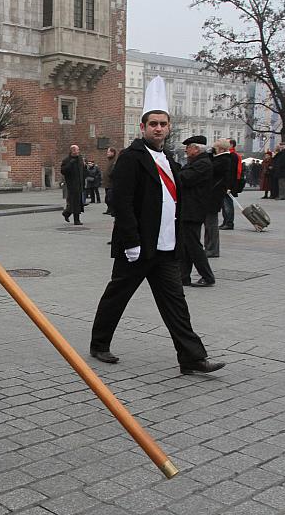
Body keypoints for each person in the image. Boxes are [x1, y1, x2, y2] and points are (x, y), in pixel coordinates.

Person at [88, 76, 225, 375]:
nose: (159, 128)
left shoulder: (168, 159)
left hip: (166, 248)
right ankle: (99, 344)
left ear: (169, 127)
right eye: (153, 124)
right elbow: (121, 203)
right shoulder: (132, 159)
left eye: (163, 123)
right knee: (117, 296)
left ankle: (191, 357)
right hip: (138, 247)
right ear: (143, 127)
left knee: (176, 304)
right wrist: (131, 242)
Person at [177, 136, 215, 287]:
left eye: (188, 147)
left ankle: (207, 276)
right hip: (189, 208)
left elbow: (184, 178)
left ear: (196, 149)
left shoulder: (203, 164)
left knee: (193, 245)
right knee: (186, 245)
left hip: (193, 209)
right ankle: (183, 276)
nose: (186, 150)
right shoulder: (197, 162)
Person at [205, 138, 230, 259]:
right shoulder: (221, 159)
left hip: (214, 195)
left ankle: (212, 249)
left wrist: (209, 155)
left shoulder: (224, 160)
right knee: (209, 223)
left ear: (221, 149)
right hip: (213, 194)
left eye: (215, 148)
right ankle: (209, 247)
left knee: (211, 224)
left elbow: (210, 169)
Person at [219, 139, 242, 230]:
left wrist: (229, 186)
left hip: (229, 184)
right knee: (225, 203)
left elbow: (232, 172)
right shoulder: (230, 155)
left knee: (227, 203)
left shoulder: (232, 156)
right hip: (227, 183)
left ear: (231, 145)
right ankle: (226, 221)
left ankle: (229, 222)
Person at [61, 145, 85, 224]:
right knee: (75, 202)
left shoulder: (80, 159)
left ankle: (66, 213)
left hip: (80, 184)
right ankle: (76, 220)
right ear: (73, 151)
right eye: (77, 150)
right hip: (72, 185)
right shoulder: (67, 160)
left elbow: (82, 170)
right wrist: (70, 164)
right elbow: (63, 171)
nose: (78, 151)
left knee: (77, 202)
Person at [102, 147, 117, 215]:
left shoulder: (114, 161)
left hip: (111, 183)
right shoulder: (109, 160)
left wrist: (110, 175)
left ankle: (112, 210)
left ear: (113, 153)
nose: (107, 153)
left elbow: (113, 171)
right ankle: (109, 209)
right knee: (107, 198)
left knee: (110, 198)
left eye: (109, 152)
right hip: (107, 182)